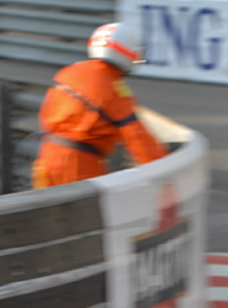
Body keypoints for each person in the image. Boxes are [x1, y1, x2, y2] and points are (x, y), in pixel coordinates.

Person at [32, 22, 167, 189]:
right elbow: (137, 137)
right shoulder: (111, 88)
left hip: (46, 157)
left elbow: (45, 113)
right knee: (87, 214)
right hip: (79, 164)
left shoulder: (69, 72)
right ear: (126, 51)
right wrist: (165, 170)